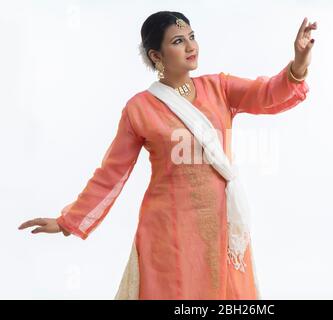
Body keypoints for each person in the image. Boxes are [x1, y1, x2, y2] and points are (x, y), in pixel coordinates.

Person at [18, 11, 317, 299]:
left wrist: (299, 64)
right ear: (156, 57)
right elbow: (111, 174)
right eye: (178, 41)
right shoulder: (140, 108)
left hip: (222, 225)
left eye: (192, 36)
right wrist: (68, 221)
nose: (191, 46)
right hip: (169, 232)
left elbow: (268, 94)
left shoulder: (219, 88)